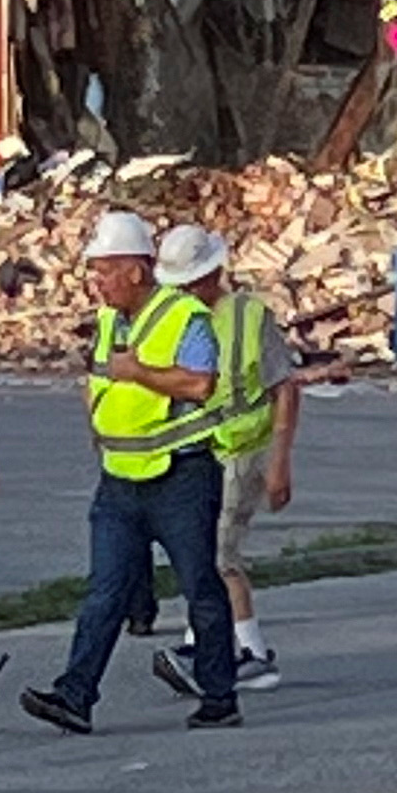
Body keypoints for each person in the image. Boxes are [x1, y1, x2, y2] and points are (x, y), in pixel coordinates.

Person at [20, 209, 238, 734]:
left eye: (104, 270)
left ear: (137, 271)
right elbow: (98, 382)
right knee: (105, 590)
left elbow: (199, 384)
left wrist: (138, 371)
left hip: (180, 477)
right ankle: (75, 696)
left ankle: (219, 694)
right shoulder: (107, 323)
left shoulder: (184, 317)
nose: (96, 283)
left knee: (200, 586)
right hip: (120, 478)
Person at [147, 224, 302, 701]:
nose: (185, 292)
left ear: (215, 274)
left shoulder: (250, 317)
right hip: (202, 452)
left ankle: (250, 653)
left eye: (192, 282)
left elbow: (285, 389)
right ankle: (205, 645)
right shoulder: (176, 317)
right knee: (200, 553)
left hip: (243, 449)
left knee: (219, 556)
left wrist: (279, 463)